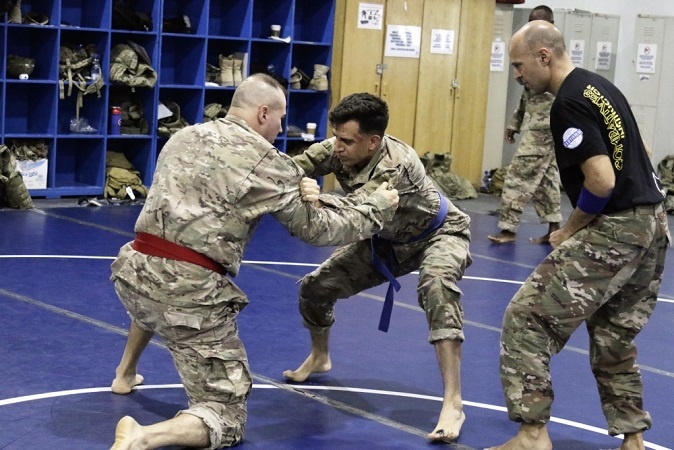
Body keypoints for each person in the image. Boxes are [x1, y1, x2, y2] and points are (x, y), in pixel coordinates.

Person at [108, 73, 400, 450]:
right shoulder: (266, 160)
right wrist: (377, 207)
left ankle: (124, 373)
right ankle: (143, 438)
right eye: (280, 119)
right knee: (226, 416)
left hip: (132, 271)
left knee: (160, 281)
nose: (280, 129)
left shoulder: (184, 136)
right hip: (186, 293)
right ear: (264, 113)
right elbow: (319, 231)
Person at [487, 21, 670, 450]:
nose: (516, 75)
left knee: (526, 318)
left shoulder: (567, 102)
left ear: (543, 56)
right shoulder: (599, 87)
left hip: (618, 226)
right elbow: (640, 149)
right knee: (613, 333)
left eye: (518, 65)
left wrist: (568, 230)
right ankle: (633, 438)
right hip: (653, 222)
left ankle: (532, 433)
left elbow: (602, 181)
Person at [282, 93, 472, 444]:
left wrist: (314, 196)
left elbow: (355, 212)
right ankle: (320, 357)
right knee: (315, 287)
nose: (337, 146)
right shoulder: (338, 146)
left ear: (373, 141)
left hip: (438, 234)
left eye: (347, 141)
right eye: (336, 136)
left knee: (436, 287)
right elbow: (293, 168)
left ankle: (453, 403)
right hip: (386, 241)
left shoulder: (394, 166)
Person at [488, 5, 562, 245]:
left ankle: (508, 229)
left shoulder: (551, 54)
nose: (529, 27)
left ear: (550, 24)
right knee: (546, 179)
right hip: (536, 125)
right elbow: (527, 93)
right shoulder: (529, 53)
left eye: (536, 23)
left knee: (518, 175)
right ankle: (554, 229)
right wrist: (515, 122)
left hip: (547, 127)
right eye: (529, 21)